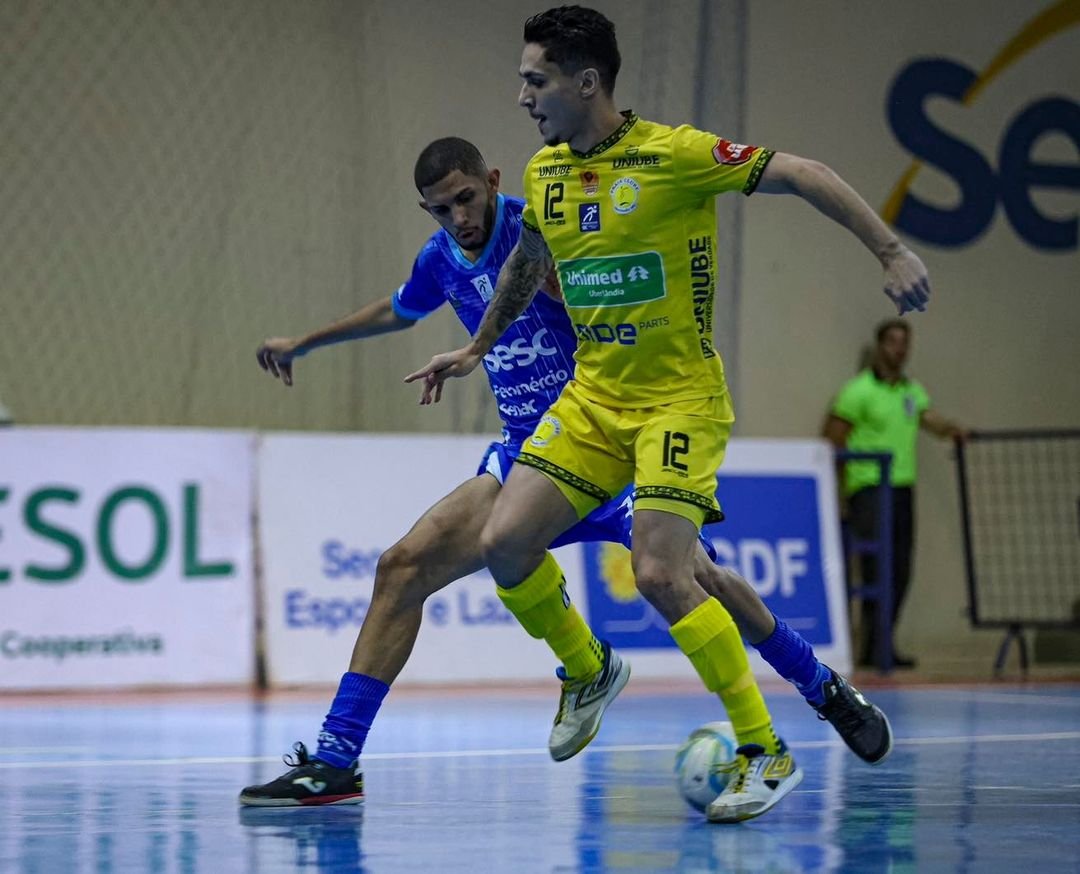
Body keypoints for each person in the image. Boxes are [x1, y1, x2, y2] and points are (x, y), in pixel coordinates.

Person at [241, 137, 891, 810]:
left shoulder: (543, 229)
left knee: (699, 581)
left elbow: (604, 302)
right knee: (402, 567)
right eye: (441, 209)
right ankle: (340, 758)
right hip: (531, 454)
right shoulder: (441, 260)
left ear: (492, 181)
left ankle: (822, 689)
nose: (460, 217)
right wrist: (306, 343)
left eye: (467, 198)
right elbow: (397, 309)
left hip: (608, 442)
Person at [406, 6, 926, 823]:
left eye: (534, 80)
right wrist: (476, 348)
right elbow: (529, 263)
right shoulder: (543, 174)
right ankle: (588, 668)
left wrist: (890, 250)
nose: (521, 97)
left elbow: (804, 171)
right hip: (594, 401)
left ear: (587, 83)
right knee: (503, 543)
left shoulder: (676, 155)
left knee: (664, 572)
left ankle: (768, 745)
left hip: (678, 399)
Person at [824, 318, 966, 670]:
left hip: (903, 488)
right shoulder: (857, 391)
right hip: (870, 488)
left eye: (905, 343)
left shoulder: (910, 391)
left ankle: (882, 643)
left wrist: (954, 431)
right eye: (893, 342)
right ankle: (869, 646)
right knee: (874, 568)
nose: (899, 349)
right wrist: (839, 492)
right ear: (879, 346)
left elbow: (928, 418)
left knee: (901, 568)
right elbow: (833, 437)